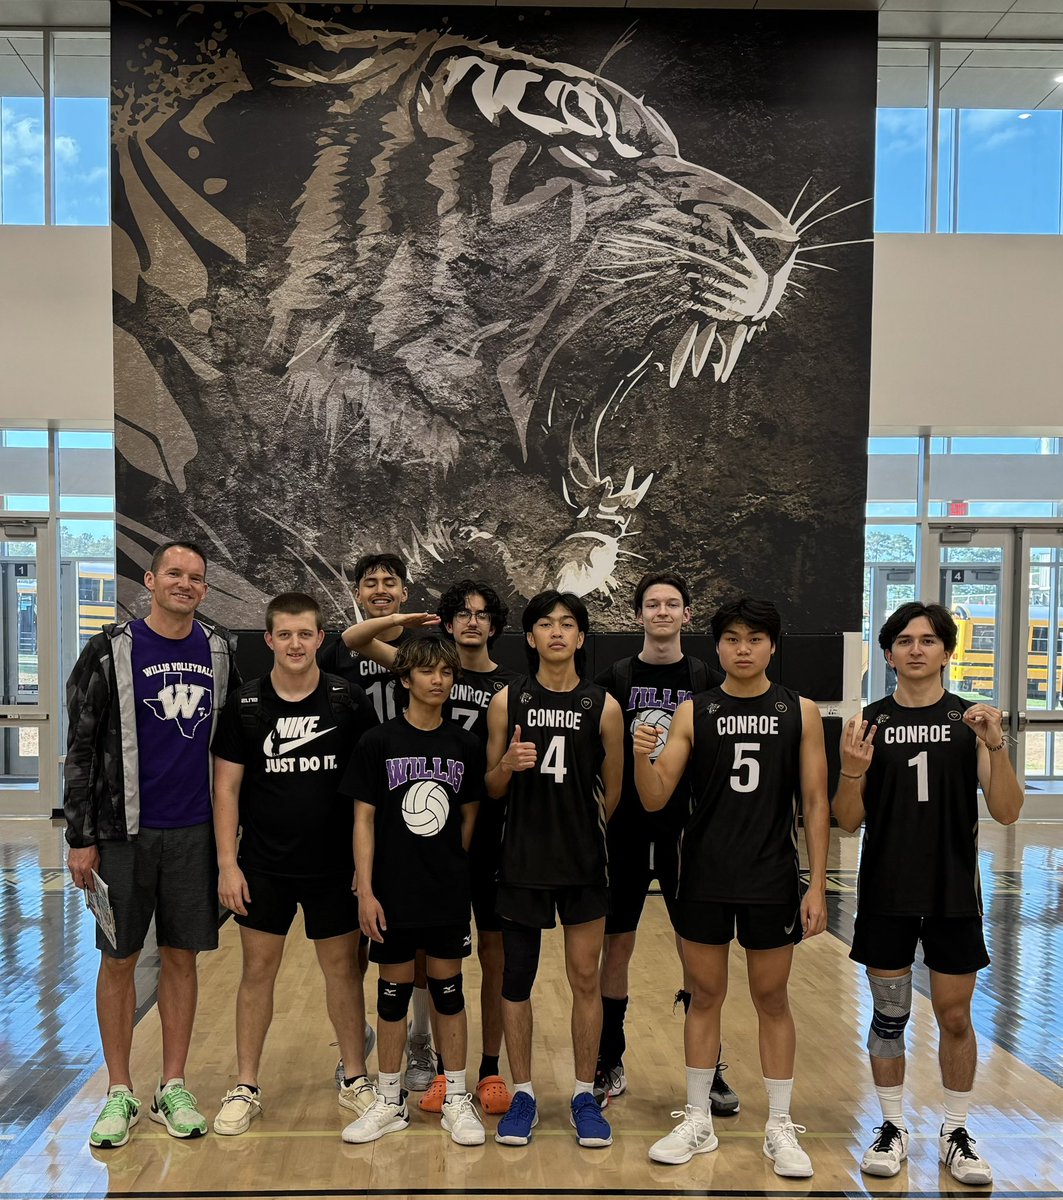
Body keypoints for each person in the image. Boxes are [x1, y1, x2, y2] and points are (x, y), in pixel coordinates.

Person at [634, 596, 829, 1176]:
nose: (743, 649)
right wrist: (646, 757)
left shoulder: (802, 711)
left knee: (772, 998)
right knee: (704, 995)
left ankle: (779, 1125)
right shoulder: (696, 711)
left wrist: (816, 885)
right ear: (716, 646)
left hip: (771, 876)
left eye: (755, 639)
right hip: (704, 875)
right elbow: (654, 796)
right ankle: (697, 1119)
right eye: (732, 639)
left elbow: (816, 803)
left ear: (772, 645)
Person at [833, 601, 1023, 1186]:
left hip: (952, 894)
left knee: (956, 1015)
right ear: (888, 654)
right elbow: (845, 820)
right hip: (888, 891)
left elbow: (1008, 811)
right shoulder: (868, 722)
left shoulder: (972, 722)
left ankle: (956, 1130)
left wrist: (996, 746)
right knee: (890, 1016)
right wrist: (852, 769)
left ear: (946, 651)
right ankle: (892, 1126)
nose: (916, 649)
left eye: (929, 640)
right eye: (905, 641)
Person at [64, 541, 239, 1148]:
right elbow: (81, 744)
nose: (184, 584)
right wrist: (80, 837)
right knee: (117, 960)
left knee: (181, 958)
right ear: (150, 579)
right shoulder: (109, 649)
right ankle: (119, 1089)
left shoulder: (218, 649)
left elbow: (230, 747)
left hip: (193, 831)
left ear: (204, 589)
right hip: (120, 833)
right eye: (174, 573)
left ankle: (172, 1084)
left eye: (195, 577)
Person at [325, 578, 517, 1115]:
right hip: (404, 861)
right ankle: (404, 1080)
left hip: (467, 856)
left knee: (465, 972)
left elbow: (477, 805)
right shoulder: (391, 721)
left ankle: (473, 1079)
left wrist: (452, 856)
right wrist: (403, 623)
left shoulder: (501, 698)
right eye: (463, 614)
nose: (472, 622)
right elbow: (356, 639)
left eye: (483, 614)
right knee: (400, 976)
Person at [209, 592, 378, 1136]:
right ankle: (245, 1084)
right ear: (269, 640)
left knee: (342, 974)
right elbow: (226, 789)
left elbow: (367, 795)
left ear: (321, 639)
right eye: (285, 634)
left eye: (305, 634)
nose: (296, 643)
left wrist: (364, 867)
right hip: (264, 866)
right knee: (257, 973)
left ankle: (356, 1078)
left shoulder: (347, 700)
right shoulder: (246, 705)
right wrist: (227, 865)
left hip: (333, 868)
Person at [592, 570, 737, 1116]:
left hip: (687, 833)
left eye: (671, 604)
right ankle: (610, 1057)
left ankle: (710, 1067)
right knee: (618, 946)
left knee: (694, 951)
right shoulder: (616, 677)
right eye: (651, 604)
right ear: (637, 616)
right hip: (626, 830)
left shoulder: (704, 678)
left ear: (686, 615)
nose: (661, 612)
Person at [484, 591, 623, 1148]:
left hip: (584, 866)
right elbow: (491, 786)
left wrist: (580, 832)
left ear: (582, 637)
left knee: (585, 979)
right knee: (516, 982)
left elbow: (613, 794)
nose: (558, 632)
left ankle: (585, 1095)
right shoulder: (507, 700)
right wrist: (507, 766)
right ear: (532, 637)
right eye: (546, 624)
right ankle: (523, 1093)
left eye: (568, 624)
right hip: (520, 863)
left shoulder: (603, 706)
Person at [340, 637, 486, 1147]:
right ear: (405, 680)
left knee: (449, 991)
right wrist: (367, 890)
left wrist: (446, 866)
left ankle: (457, 1096)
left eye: (446, 672)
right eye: (427, 672)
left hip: (445, 890)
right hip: (392, 892)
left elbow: (468, 818)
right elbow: (363, 819)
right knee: (392, 993)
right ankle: (388, 1098)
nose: (438, 680)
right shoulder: (378, 742)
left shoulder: (464, 745)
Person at [316, 552, 434, 1087]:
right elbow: (354, 638)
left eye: (391, 583)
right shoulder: (343, 649)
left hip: (415, 800)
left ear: (405, 592)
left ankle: (420, 1040)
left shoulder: (417, 653)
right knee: (358, 940)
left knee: (420, 939)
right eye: (371, 583)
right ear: (358, 592)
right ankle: (358, 1036)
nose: (382, 589)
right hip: (358, 800)